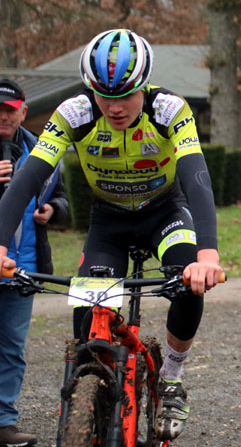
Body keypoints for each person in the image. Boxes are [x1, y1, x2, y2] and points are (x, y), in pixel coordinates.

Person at [0, 30, 224, 442]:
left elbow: (196, 176)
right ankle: (86, 404)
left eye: (126, 95)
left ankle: (171, 378)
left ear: (146, 86)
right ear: (90, 90)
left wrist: (207, 254)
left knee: (185, 279)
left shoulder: (170, 109)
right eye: (104, 96)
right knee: (87, 320)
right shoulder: (74, 113)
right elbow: (28, 177)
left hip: (164, 213)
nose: (115, 107)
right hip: (108, 222)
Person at [0, 79, 68, 447]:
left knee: (12, 348)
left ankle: (3, 423)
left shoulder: (43, 150)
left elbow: (63, 200)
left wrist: (52, 211)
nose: (2, 117)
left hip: (22, 270)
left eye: (9, 110)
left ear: (23, 112)